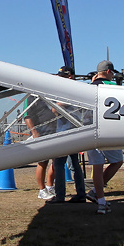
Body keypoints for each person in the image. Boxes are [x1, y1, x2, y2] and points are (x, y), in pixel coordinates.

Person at [87, 60, 124, 214]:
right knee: (117, 161)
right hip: (109, 130)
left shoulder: (89, 88)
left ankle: (100, 198)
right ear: (109, 72)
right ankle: (97, 194)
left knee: (97, 164)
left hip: (90, 129)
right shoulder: (113, 86)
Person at [48, 66, 87, 204]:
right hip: (73, 130)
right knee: (75, 164)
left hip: (65, 132)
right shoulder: (78, 90)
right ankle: (81, 193)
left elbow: (55, 108)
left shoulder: (69, 91)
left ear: (70, 76)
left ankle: (60, 196)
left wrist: (55, 105)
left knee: (59, 164)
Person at [23, 92, 56, 199]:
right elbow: (27, 116)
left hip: (53, 131)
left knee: (56, 161)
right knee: (43, 162)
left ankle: (50, 186)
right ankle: (42, 190)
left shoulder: (46, 96)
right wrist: (34, 132)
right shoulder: (30, 97)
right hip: (42, 132)